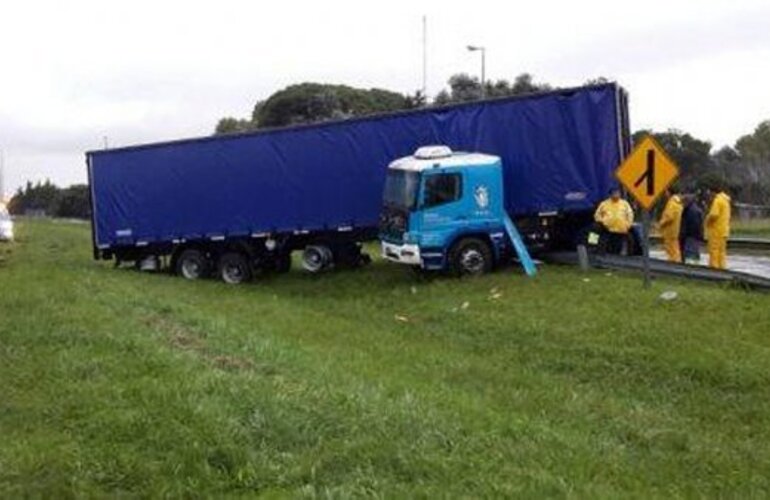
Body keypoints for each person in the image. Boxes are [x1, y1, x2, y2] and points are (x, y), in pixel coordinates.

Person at [594, 187, 634, 254]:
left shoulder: (625, 204)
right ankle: (593, 248)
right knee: (596, 230)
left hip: (621, 229)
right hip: (607, 229)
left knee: (627, 241)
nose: (616, 194)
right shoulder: (604, 204)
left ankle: (628, 255)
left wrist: (628, 225)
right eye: (614, 193)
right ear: (610, 194)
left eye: (617, 193)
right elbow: (597, 215)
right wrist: (602, 222)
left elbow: (630, 215)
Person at [704, 184, 731, 270]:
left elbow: (714, 215)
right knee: (722, 252)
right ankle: (722, 268)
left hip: (716, 231)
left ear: (713, 192)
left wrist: (707, 220)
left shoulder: (717, 201)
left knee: (714, 251)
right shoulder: (726, 200)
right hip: (724, 231)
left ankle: (714, 269)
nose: (709, 196)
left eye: (710, 193)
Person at [658, 188, 683, 262]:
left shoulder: (671, 203)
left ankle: (673, 263)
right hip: (675, 230)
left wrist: (661, 223)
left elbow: (669, 217)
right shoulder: (678, 203)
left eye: (666, 192)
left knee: (671, 250)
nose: (665, 194)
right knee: (675, 249)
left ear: (669, 192)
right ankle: (676, 262)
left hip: (669, 231)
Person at [679, 194, 704, 264]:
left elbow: (693, 226)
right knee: (693, 255)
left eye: (683, 202)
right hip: (692, 237)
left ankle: (690, 269)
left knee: (690, 256)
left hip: (690, 237)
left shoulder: (691, 211)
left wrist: (683, 234)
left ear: (687, 201)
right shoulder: (692, 209)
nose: (682, 205)